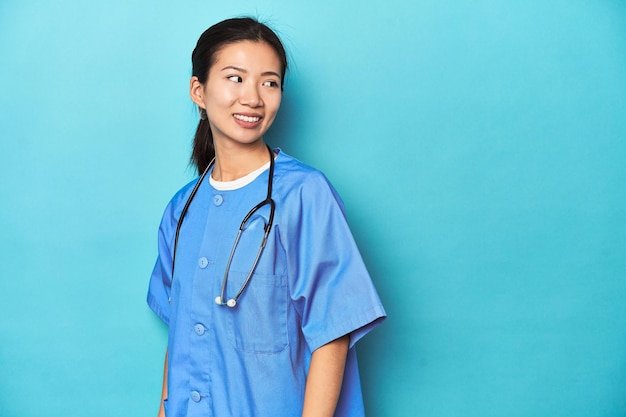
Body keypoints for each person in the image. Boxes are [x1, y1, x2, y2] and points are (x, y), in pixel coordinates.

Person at [147, 17, 386, 417]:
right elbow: (181, 335)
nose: (253, 98)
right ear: (198, 91)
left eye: (269, 82)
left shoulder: (304, 195)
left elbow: (333, 336)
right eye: (235, 78)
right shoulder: (181, 209)